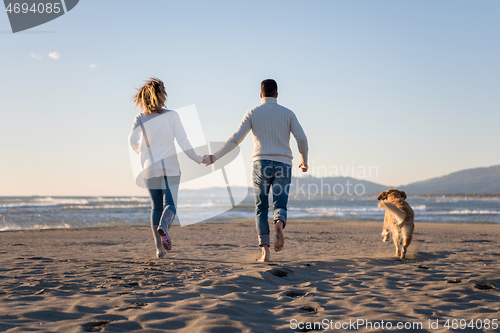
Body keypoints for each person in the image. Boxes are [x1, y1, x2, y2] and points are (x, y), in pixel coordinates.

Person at [205, 79, 308, 262]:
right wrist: (303, 160)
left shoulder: (253, 112)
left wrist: (216, 156)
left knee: (261, 208)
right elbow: (302, 139)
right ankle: (278, 223)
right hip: (284, 164)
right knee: (280, 205)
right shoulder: (288, 113)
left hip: (261, 164)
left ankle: (265, 253)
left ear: (261, 95)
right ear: (277, 95)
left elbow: (236, 138)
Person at [128, 77, 210, 259]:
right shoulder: (172, 115)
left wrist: (141, 153)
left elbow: (132, 140)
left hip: (149, 168)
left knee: (155, 208)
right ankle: (164, 227)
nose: (166, 97)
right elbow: (183, 141)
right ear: (159, 96)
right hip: (171, 167)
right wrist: (198, 158)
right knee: (170, 204)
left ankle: (159, 249)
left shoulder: (140, 117)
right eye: (164, 93)